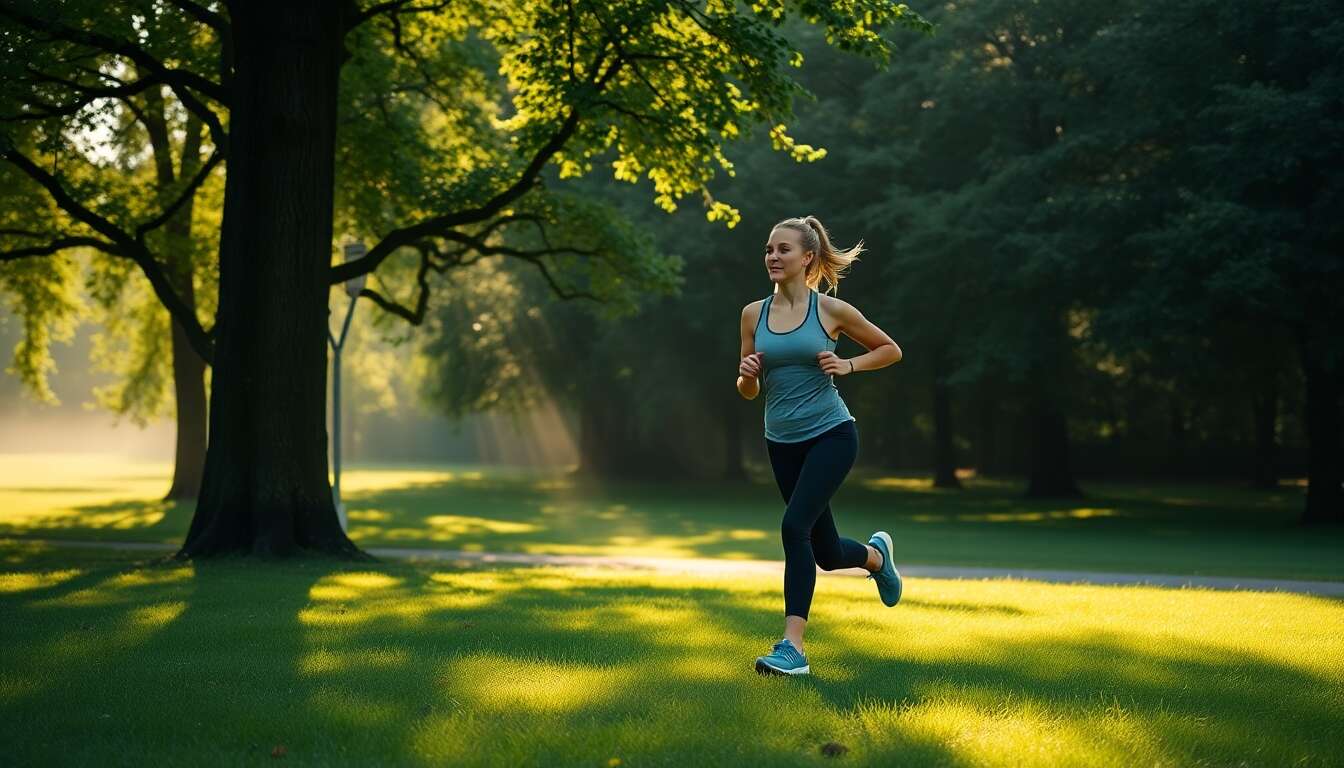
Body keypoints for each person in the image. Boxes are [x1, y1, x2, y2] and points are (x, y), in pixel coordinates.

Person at [737, 215, 905, 677]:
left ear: (807, 257)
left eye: (783, 249)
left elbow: (890, 349)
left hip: (832, 434)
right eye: (769, 249)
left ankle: (793, 649)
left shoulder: (830, 311)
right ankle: (875, 557)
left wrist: (848, 366)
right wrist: (746, 376)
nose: (773, 256)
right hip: (781, 442)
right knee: (827, 553)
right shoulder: (753, 313)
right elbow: (748, 390)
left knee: (795, 527)